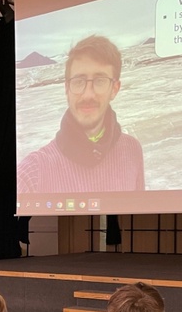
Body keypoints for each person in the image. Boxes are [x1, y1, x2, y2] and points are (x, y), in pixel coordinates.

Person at [17, 35, 144, 194]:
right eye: (78, 81)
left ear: (115, 89)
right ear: (66, 88)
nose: (88, 95)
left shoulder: (132, 150)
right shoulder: (31, 172)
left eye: (99, 80)